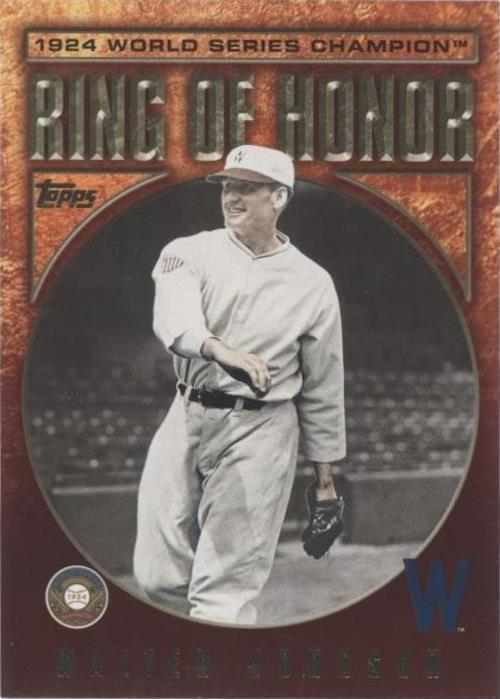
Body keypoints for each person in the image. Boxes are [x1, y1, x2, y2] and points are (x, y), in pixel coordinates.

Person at [133, 145, 346, 625]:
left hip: (262, 428)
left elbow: (323, 385)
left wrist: (325, 482)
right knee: (156, 577)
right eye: (228, 186)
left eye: (247, 188)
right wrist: (219, 350)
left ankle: (219, 651)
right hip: (186, 414)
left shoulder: (313, 282)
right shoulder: (187, 251)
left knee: (224, 591)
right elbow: (174, 318)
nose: (231, 196)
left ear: (279, 197)